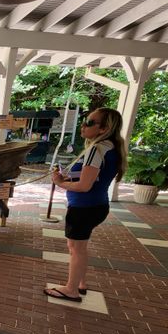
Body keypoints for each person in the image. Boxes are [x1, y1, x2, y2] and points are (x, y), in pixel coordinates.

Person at [44, 107, 126, 302]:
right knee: (78, 247)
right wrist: (67, 176)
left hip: (85, 207)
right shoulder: (109, 147)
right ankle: (79, 282)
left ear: (103, 128)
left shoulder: (96, 149)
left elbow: (84, 186)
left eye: (89, 122)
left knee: (76, 248)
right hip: (96, 205)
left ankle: (71, 289)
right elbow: (93, 177)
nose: (83, 125)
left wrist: (60, 183)